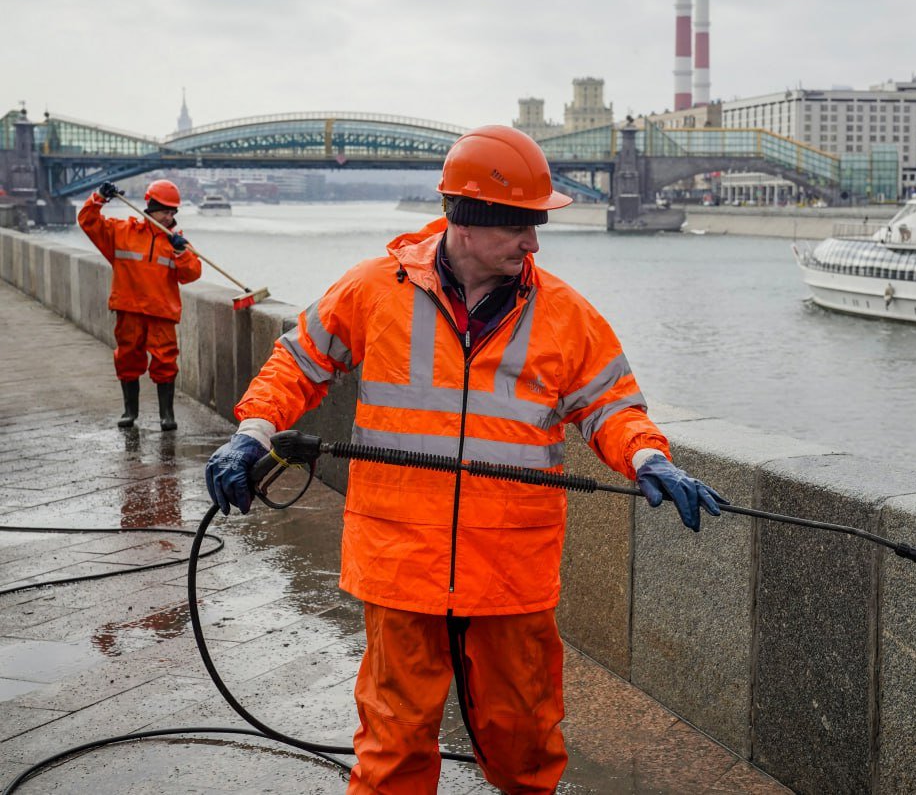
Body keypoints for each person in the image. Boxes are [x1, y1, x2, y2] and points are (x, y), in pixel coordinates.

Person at [204, 125, 724, 794]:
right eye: (520, 227)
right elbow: (296, 363)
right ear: (467, 224)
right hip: (400, 565)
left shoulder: (566, 315)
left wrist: (650, 457)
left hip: (510, 571)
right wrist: (252, 432)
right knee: (392, 747)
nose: (534, 242)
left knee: (525, 745)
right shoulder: (372, 290)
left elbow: (612, 407)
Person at [79, 179, 202, 430]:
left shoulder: (176, 241)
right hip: (129, 308)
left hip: (161, 312)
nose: (169, 217)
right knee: (127, 359)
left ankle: (166, 415)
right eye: (164, 211)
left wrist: (182, 253)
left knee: (165, 362)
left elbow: (191, 275)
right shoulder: (122, 231)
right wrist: (99, 198)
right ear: (151, 208)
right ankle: (129, 412)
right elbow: (88, 221)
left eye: (172, 212)